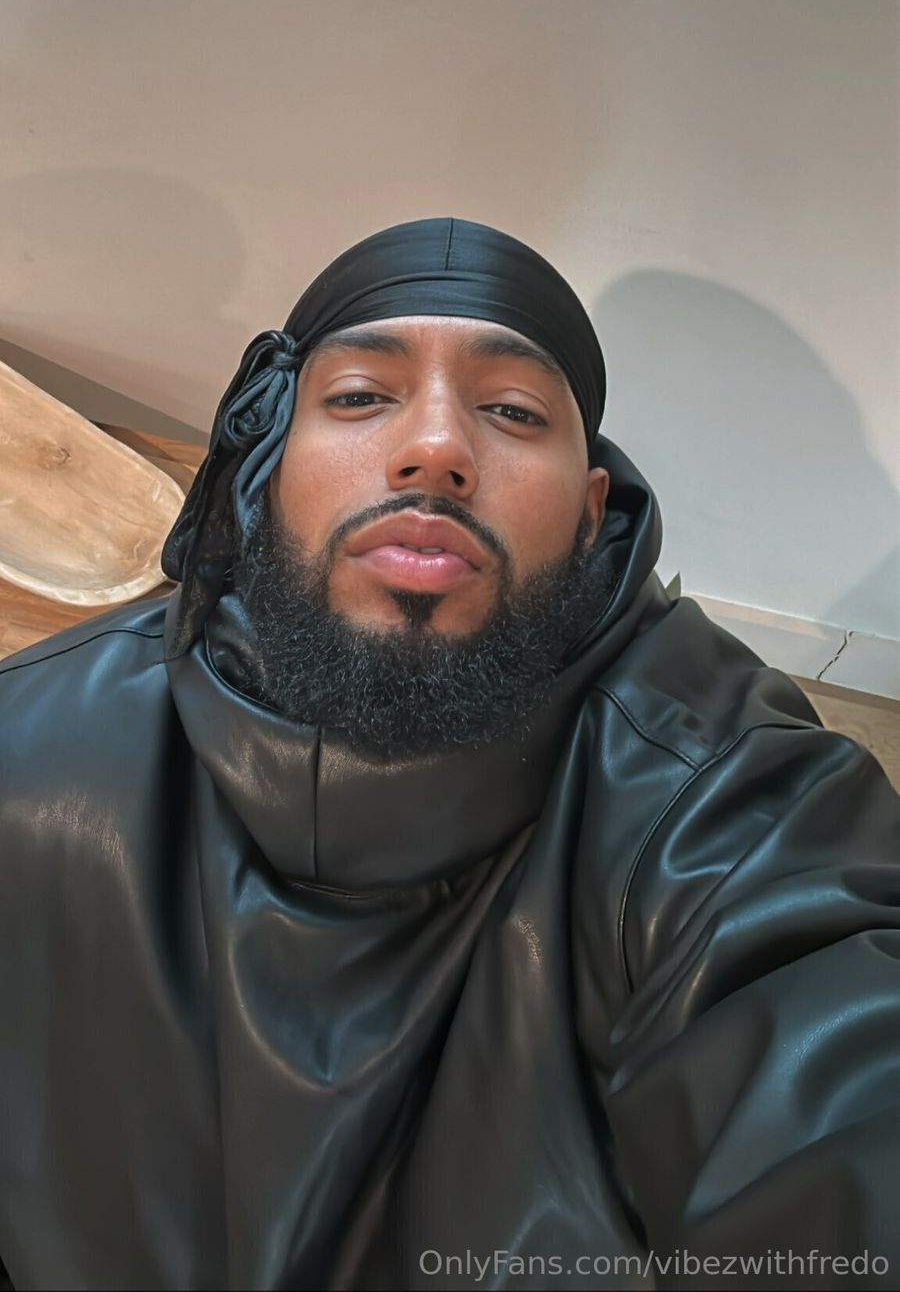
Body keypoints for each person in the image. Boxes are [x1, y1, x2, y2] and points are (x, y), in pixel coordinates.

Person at [0, 216, 898, 1292]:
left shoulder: (723, 796)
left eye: (512, 410)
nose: (436, 447)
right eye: (360, 397)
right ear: (269, 464)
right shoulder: (26, 752)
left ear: (591, 510)